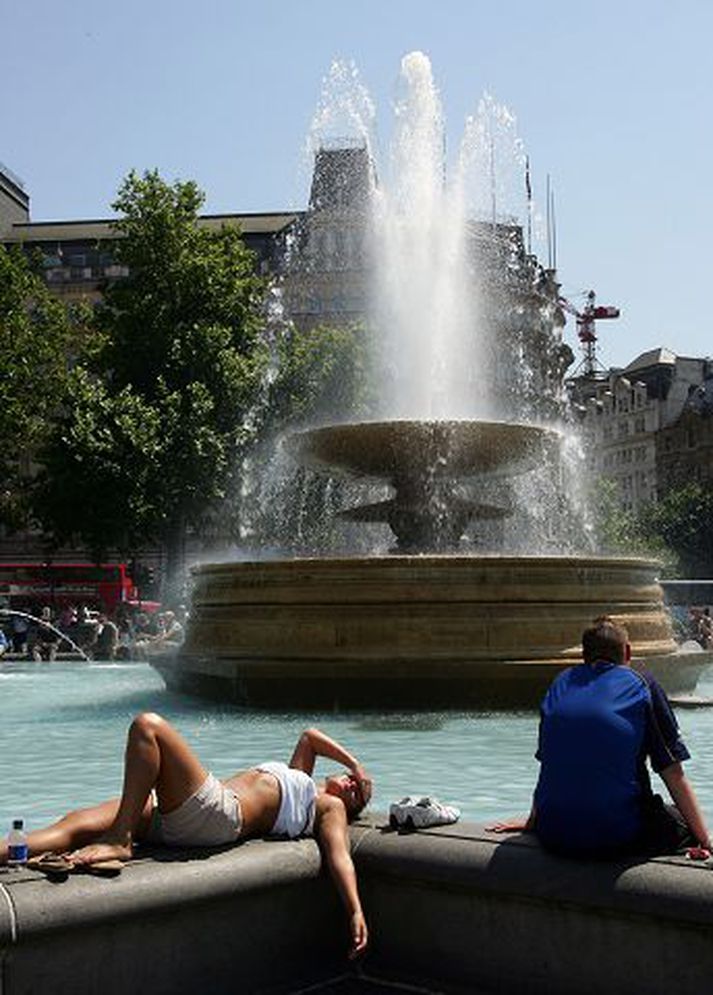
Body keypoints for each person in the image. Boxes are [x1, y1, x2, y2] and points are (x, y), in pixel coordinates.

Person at [0, 717, 373, 957]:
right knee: (76, 823)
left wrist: (354, 909)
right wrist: (355, 763)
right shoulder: (302, 777)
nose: (352, 784)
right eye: (354, 781)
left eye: (358, 792)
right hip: (187, 812)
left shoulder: (328, 807)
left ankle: (121, 839)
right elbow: (309, 736)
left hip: (219, 815)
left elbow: (339, 854)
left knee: (148, 727)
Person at [489, 616, 711, 860]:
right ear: (628, 652)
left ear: (584, 655)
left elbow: (550, 763)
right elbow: (672, 771)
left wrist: (535, 821)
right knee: (681, 823)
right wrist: (705, 839)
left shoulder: (560, 684)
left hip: (553, 833)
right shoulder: (642, 684)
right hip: (617, 837)